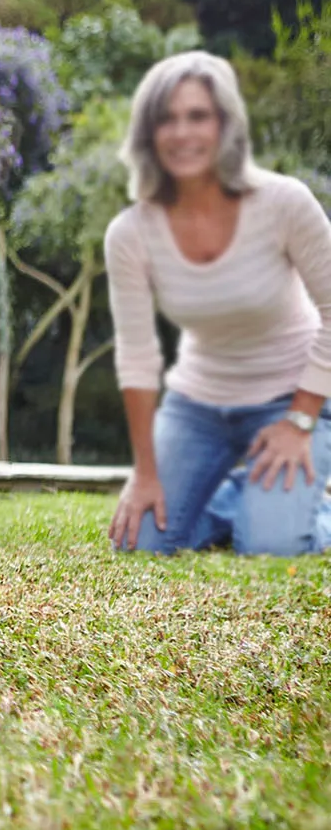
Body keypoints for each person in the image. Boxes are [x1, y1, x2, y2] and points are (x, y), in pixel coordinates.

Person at [105, 50, 331, 555]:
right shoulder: (131, 233)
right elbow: (138, 357)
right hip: (197, 407)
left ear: (225, 124)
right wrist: (145, 472)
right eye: (167, 119)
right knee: (139, 541)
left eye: (198, 116)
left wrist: (299, 421)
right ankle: (248, 498)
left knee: (272, 546)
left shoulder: (285, 203)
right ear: (149, 132)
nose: (182, 132)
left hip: (294, 398)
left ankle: (305, 508)